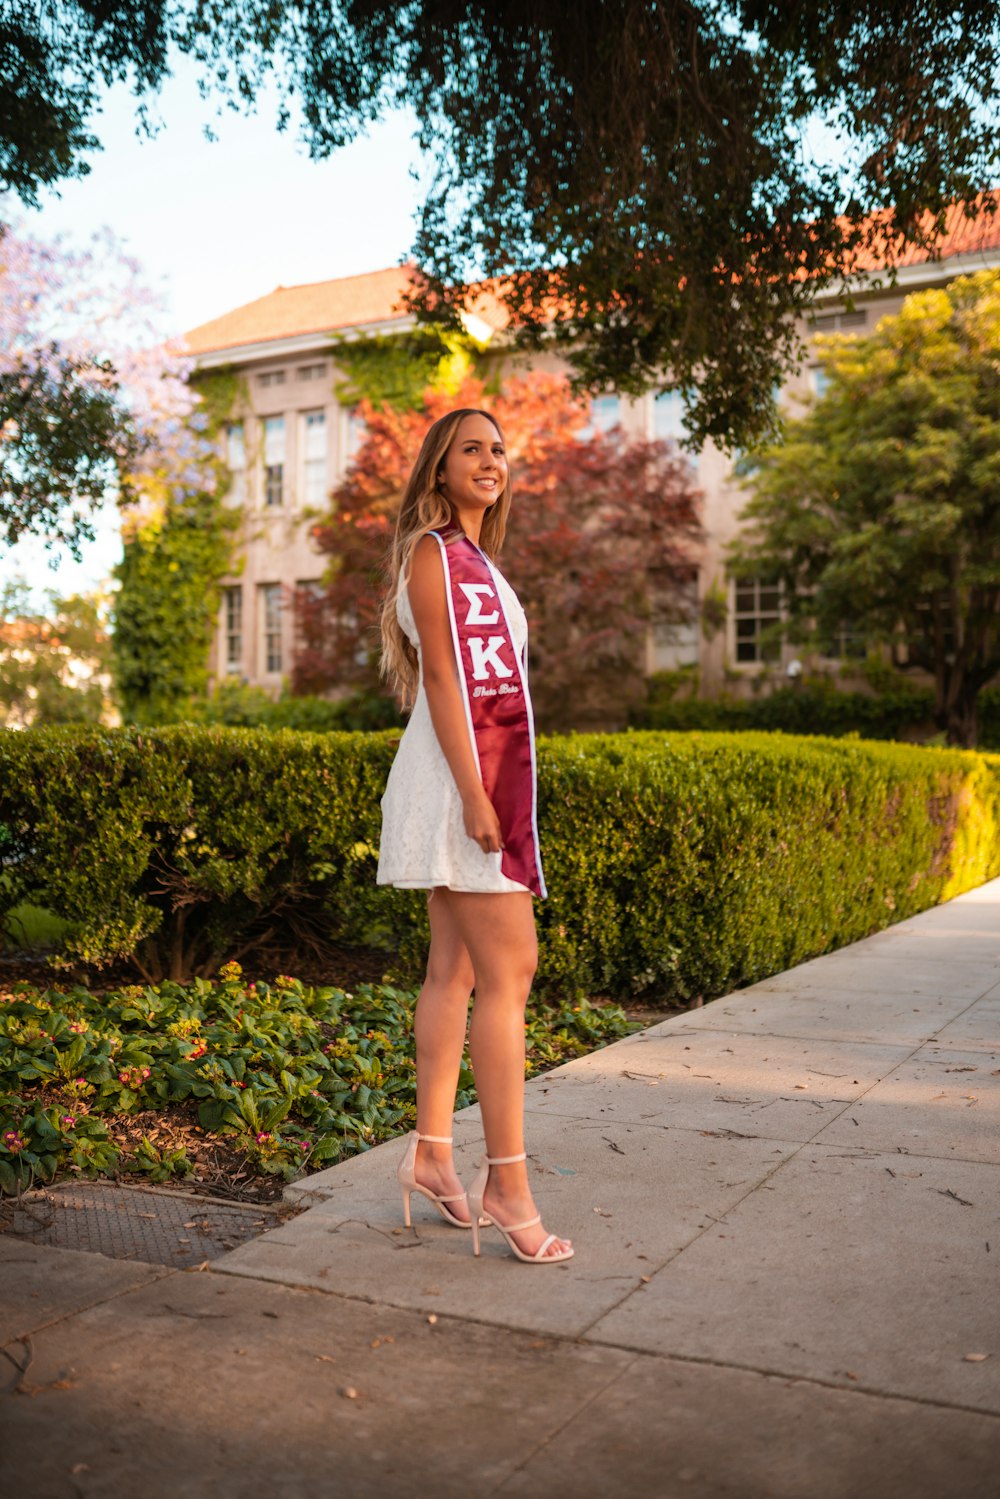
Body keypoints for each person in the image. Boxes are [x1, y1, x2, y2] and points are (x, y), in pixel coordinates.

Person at [376, 407, 573, 1265]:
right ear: (439, 469)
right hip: (458, 782)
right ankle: (509, 1185)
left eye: (500, 449)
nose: (492, 460)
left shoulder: (480, 562)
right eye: (473, 449)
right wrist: (473, 790)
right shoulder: (434, 553)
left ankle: (429, 1154)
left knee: (453, 972)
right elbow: (449, 678)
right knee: (510, 970)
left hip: (459, 778)